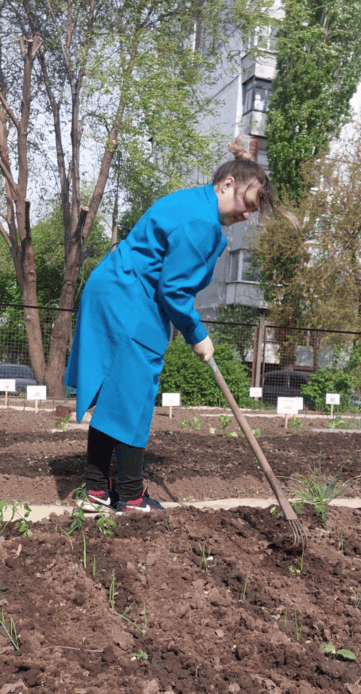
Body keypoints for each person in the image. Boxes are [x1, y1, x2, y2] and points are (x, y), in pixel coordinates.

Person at [65, 139, 273, 512]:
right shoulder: (201, 221)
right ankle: (129, 496)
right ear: (227, 184)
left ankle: (97, 491)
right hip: (129, 301)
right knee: (134, 397)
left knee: (113, 394)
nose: (247, 215)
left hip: (117, 291)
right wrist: (199, 335)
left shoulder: (194, 205)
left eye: (253, 211)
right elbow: (174, 290)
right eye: (247, 204)